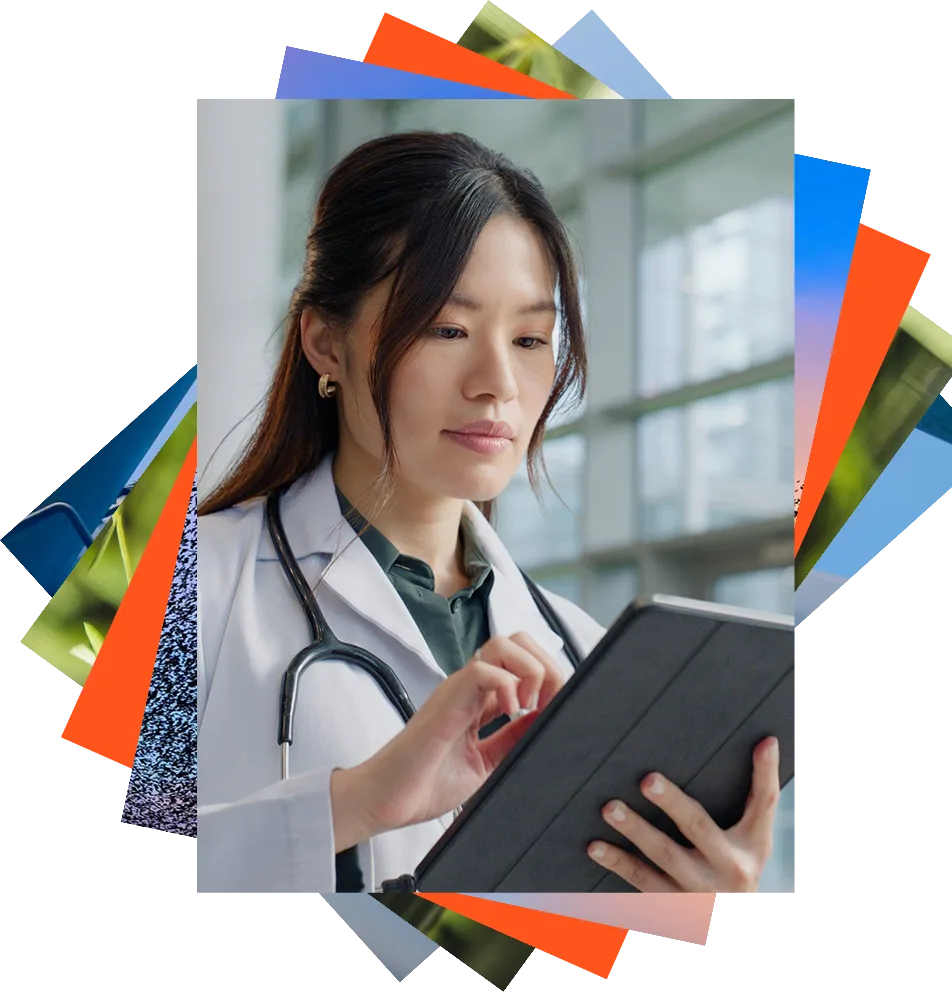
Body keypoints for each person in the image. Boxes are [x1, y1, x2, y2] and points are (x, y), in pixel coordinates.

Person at [195, 131, 781, 896]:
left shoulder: (583, 652)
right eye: (447, 328)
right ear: (325, 344)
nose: (499, 383)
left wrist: (703, 907)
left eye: (532, 338)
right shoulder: (183, 585)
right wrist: (354, 803)